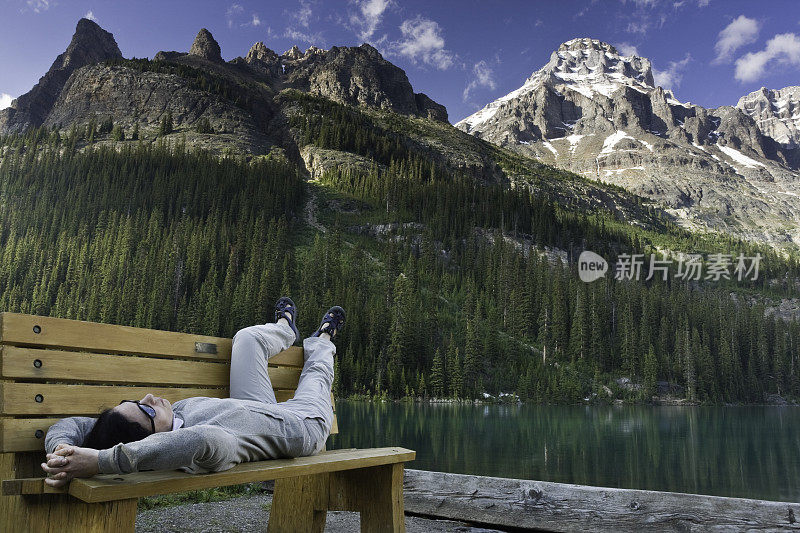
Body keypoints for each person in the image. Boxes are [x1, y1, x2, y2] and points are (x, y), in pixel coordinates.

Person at [40, 297, 345, 488]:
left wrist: (61, 452)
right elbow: (200, 439)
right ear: (154, 439)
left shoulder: (179, 414)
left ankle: (284, 329)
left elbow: (76, 425)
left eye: (134, 401)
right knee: (316, 374)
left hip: (255, 407)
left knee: (248, 339)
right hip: (300, 425)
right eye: (147, 411)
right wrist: (102, 462)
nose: (148, 398)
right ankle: (324, 340)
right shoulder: (207, 449)